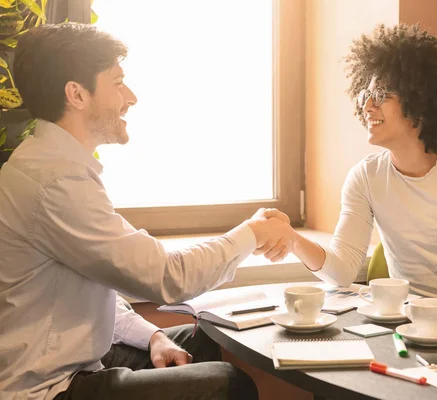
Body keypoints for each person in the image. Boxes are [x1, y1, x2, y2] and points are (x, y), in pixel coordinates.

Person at [0, 23, 294, 400]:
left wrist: (154, 336)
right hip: (47, 389)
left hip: (76, 362)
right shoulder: (56, 182)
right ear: (76, 94)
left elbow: (95, 285)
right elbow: (168, 278)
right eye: (118, 82)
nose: (131, 96)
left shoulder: (49, 165)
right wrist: (253, 233)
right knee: (227, 385)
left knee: (194, 341)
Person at [260, 24, 437, 306]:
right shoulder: (366, 177)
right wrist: (293, 239)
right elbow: (342, 271)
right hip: (404, 325)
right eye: (365, 96)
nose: (368, 107)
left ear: (421, 101)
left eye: (380, 96)